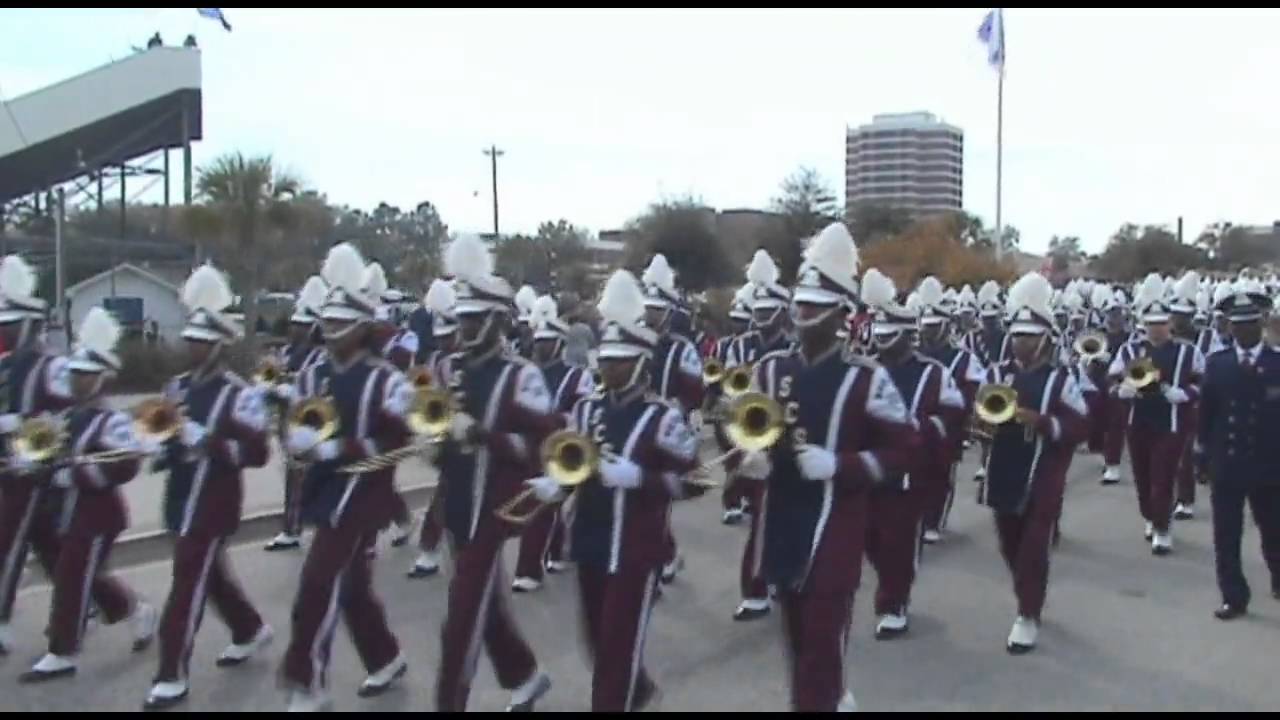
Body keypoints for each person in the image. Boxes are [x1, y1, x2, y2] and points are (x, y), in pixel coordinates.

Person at [745, 223, 917, 711]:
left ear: (841, 313)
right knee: (797, 647)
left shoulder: (869, 377)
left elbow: (905, 450)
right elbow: (738, 431)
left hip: (833, 532)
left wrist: (840, 465)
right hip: (780, 524)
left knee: (820, 650)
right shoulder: (771, 368)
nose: (802, 317)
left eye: (814, 308)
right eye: (799, 306)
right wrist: (747, 456)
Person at [525, 269, 700, 711]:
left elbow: (695, 480)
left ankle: (622, 697)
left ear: (640, 361)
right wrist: (556, 485)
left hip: (637, 551)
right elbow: (574, 465)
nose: (607, 365)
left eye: (619, 358)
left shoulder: (663, 417)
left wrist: (641, 479)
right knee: (596, 644)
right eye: (605, 356)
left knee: (616, 656)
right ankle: (639, 694)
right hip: (588, 541)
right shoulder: (585, 410)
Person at [277, 244, 413, 711]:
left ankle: (306, 684)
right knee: (351, 587)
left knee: (316, 585)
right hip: (324, 490)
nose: (330, 332)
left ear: (363, 328)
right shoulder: (311, 373)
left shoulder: (388, 379)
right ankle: (386, 658)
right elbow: (296, 422)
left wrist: (343, 448)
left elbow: (398, 441)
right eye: (327, 323)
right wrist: (293, 438)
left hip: (362, 497)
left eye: (341, 325)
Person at [431, 234, 559, 712]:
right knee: (485, 606)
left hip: (498, 505)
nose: (463, 329)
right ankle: (524, 676)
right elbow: (442, 429)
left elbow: (541, 446)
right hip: (457, 502)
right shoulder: (448, 368)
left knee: (461, 618)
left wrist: (484, 435)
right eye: (460, 319)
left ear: (497, 321)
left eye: (473, 320)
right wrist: (438, 444)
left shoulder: (522, 374)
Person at [144, 264, 273, 710]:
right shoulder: (175, 387)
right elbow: (166, 432)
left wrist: (211, 444)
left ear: (219, 345)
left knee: (186, 584)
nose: (192, 348)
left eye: (202, 342)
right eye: (191, 340)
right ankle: (249, 628)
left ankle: (170, 674)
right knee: (208, 575)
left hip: (214, 501)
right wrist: (160, 449)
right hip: (180, 496)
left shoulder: (241, 394)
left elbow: (257, 454)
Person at [16, 308, 157, 682]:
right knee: (85, 574)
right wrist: (34, 463)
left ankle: (63, 651)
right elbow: (46, 453)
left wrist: (76, 472)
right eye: (75, 374)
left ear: (103, 377)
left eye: (86, 375)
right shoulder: (66, 418)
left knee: (72, 573)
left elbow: (124, 467)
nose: (78, 381)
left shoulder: (112, 421)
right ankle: (136, 610)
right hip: (68, 511)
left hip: (99, 513)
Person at [981, 272, 1088, 654]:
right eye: (1017, 334)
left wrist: (1041, 422)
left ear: (1045, 338)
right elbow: (977, 414)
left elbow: (1080, 424)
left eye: (1029, 335)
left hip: (1043, 475)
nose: (1021, 342)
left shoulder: (1061, 379)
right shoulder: (996, 373)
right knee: (1009, 545)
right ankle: (1028, 596)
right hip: (1002, 470)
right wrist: (979, 426)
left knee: (1032, 548)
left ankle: (1027, 613)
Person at [860, 270, 963, 638]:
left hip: (911, 471)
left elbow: (953, 414)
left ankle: (893, 603)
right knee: (869, 538)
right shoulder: (865, 369)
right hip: (869, 466)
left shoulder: (933, 373)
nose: (882, 344)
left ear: (908, 336)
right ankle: (890, 585)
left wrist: (921, 428)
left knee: (899, 542)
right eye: (880, 336)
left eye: (890, 338)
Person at [1199, 290, 1280, 620]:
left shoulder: (1277, 364)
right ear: (1229, 328)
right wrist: (1201, 458)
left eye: (1250, 324)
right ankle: (1233, 596)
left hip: (1269, 463)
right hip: (1228, 462)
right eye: (1237, 325)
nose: (1244, 331)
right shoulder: (1217, 364)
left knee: (1274, 528)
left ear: (1262, 324)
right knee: (1226, 534)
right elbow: (1206, 415)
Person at [1114, 273, 1203, 555]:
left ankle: (1163, 528)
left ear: (1170, 323)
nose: (1156, 330)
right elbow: (1111, 378)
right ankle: (1152, 517)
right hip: (1138, 421)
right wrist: (1120, 389)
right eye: (1151, 324)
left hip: (1172, 422)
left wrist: (1185, 394)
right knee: (1142, 476)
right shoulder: (1130, 349)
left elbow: (1204, 383)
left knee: (1162, 476)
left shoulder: (1188, 352)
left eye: (1161, 324)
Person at [511, 295, 594, 592]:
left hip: (564, 446)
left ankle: (528, 570)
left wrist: (557, 421)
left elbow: (582, 412)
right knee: (547, 503)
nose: (540, 346)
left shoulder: (578, 375)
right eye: (538, 340)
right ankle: (557, 551)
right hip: (531, 447)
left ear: (559, 343)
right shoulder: (525, 372)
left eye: (547, 341)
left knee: (545, 503)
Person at [640, 254, 704, 584]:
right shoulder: (634, 342)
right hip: (638, 426)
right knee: (647, 499)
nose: (650, 315)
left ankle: (663, 555)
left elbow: (695, 390)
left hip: (668, 425)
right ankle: (663, 554)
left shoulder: (683, 348)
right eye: (647, 308)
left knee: (658, 497)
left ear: (668, 312)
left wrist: (677, 407)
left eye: (656, 309)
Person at [915, 278, 984, 544]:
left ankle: (934, 520)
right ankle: (917, 517)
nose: (929, 333)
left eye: (935, 327)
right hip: (918, 422)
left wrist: (961, 418)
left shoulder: (963, 357)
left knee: (941, 474)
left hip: (949, 426)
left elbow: (974, 389)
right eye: (927, 327)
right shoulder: (914, 354)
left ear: (947, 326)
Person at [263, 274, 328, 552]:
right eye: (295, 324)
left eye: (302, 325)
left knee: (316, 480)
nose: (295, 329)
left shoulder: (323, 356)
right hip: (288, 421)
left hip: (313, 425)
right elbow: (278, 378)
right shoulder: (290, 352)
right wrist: (271, 388)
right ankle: (292, 529)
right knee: (293, 477)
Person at [408, 278, 460, 580]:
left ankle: (433, 549)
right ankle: (432, 549)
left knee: (448, 496)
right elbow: (434, 396)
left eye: (448, 336)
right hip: (448, 435)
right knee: (445, 493)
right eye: (439, 336)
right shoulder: (437, 360)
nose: (443, 341)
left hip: (471, 436)